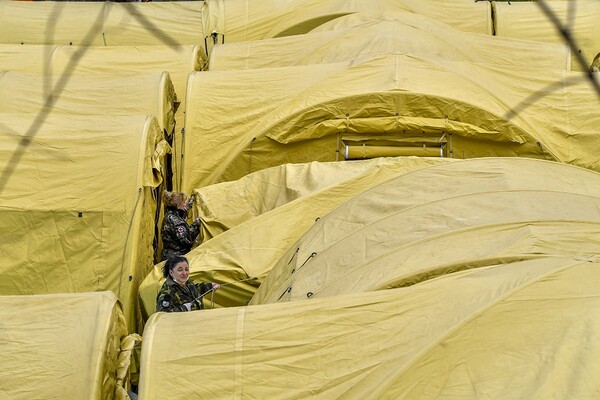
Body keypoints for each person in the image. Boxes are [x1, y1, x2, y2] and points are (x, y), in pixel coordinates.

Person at [156, 256, 220, 312]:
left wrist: (209, 286)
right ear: (171, 272)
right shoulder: (167, 293)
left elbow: (193, 290)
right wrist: (184, 308)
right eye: (180, 270)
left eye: (186, 269)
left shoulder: (186, 282)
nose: (184, 273)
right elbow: (163, 314)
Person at [161, 190, 202, 261]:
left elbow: (180, 215)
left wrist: (187, 207)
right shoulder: (176, 221)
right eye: (183, 202)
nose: (184, 204)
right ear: (178, 206)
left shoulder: (170, 215)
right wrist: (197, 224)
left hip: (170, 256)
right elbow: (187, 240)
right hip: (176, 259)